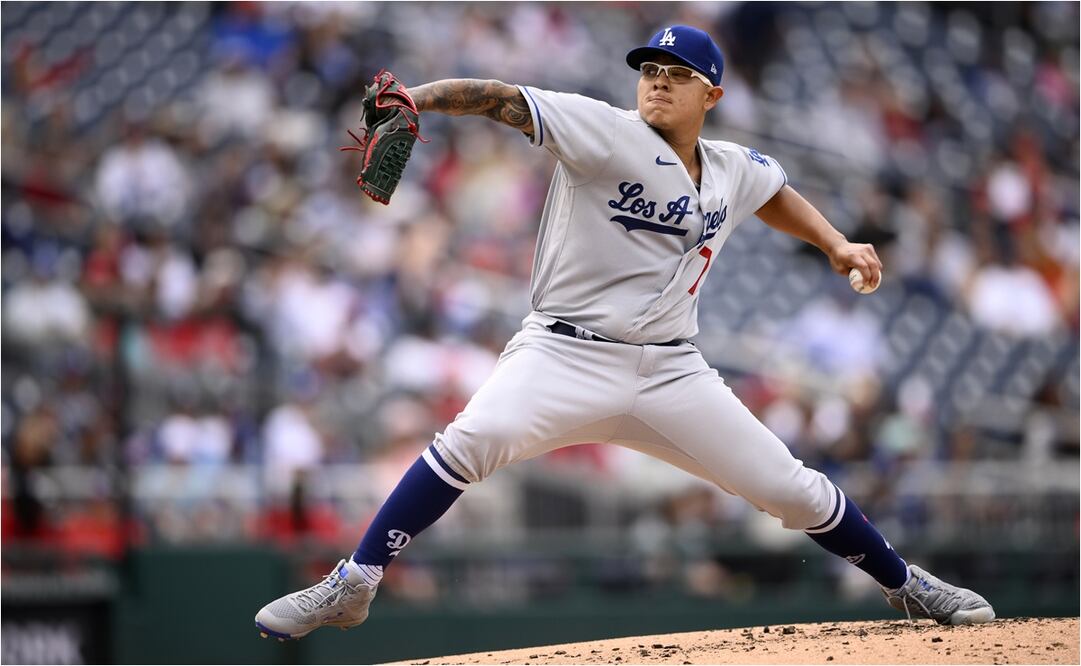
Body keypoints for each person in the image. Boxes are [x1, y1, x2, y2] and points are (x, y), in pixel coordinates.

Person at [255, 25, 994, 641]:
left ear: (712, 94)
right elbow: (504, 100)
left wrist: (834, 243)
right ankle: (354, 581)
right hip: (562, 352)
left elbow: (770, 190)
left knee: (791, 490)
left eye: (676, 74)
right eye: (649, 70)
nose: (656, 82)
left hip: (672, 371)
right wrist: (416, 99)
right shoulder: (604, 131)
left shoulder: (730, 165)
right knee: (467, 442)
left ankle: (907, 584)